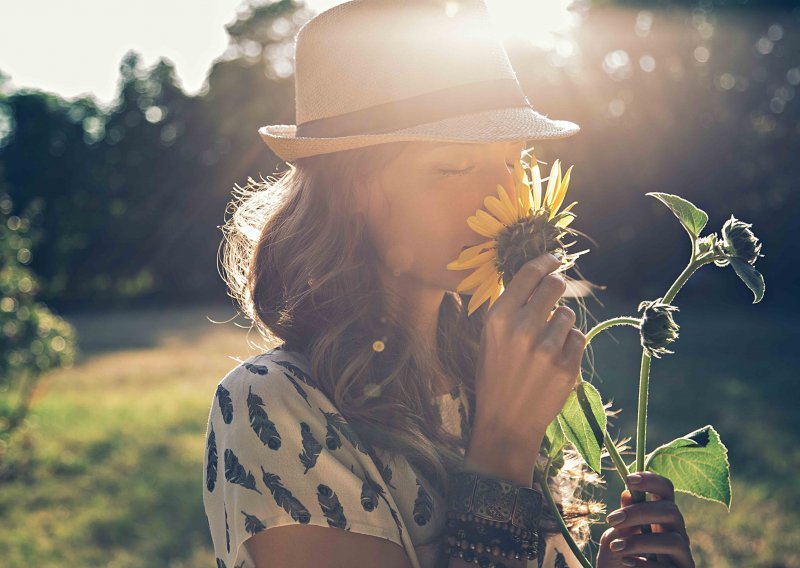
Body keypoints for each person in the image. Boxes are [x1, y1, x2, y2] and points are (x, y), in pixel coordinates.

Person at [202, 1, 696, 567]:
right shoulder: (275, 406)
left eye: (514, 161)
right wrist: (505, 445)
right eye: (454, 167)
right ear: (352, 190)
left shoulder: (479, 373)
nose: (502, 198)